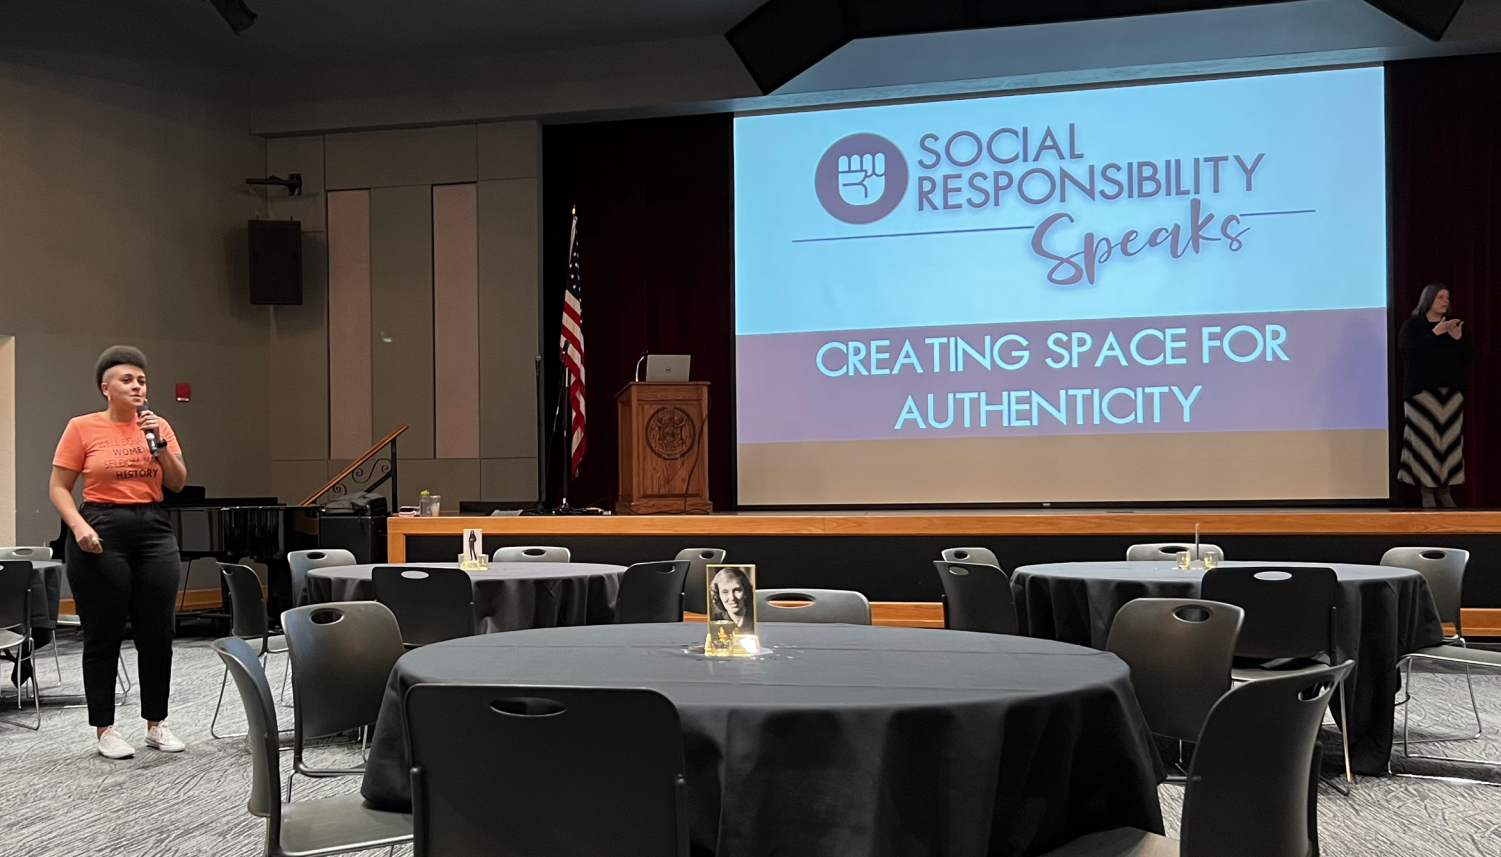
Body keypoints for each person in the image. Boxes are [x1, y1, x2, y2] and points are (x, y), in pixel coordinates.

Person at [49, 347, 189, 759]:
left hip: (153, 529)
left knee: (157, 631)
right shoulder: (82, 427)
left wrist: (160, 444)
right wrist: (79, 527)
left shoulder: (157, 425)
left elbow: (177, 483)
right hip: (101, 527)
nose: (137, 386)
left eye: (142, 380)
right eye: (127, 380)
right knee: (103, 633)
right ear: (105, 388)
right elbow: (59, 487)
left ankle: (156, 724)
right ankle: (105, 729)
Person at [1398, 284, 1473, 508]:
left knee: (1448, 444)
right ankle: (1426, 490)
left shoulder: (1451, 327)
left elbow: (1466, 357)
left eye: (1447, 297)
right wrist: (1434, 333)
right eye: (1440, 297)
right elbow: (1408, 352)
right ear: (1428, 299)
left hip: (1450, 395)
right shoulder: (1413, 326)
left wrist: (1458, 338)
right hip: (1422, 395)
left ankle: (1445, 490)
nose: (1445, 301)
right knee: (1424, 443)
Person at [709, 566, 753, 630]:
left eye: (737, 590)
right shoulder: (713, 620)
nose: (732, 598)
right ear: (718, 596)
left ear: (745, 591)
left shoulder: (758, 617)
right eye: (725, 592)